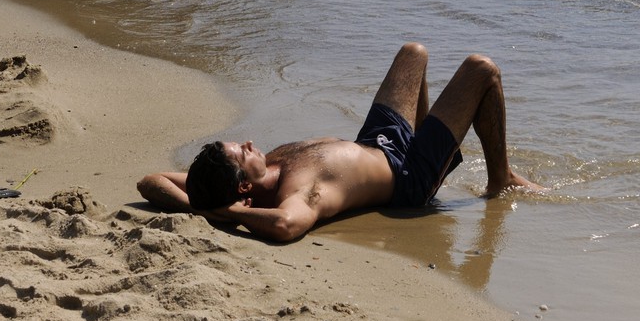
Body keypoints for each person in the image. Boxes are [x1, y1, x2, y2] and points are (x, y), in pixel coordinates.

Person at [137, 42, 544, 243]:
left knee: (413, 53)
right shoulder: (296, 192)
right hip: (407, 179)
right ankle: (500, 178)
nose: (248, 143)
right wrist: (228, 212)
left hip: (380, 142)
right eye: (242, 152)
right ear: (244, 185)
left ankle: (432, 140)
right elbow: (285, 226)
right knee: (482, 70)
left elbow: (150, 181)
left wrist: (205, 208)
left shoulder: (241, 178)